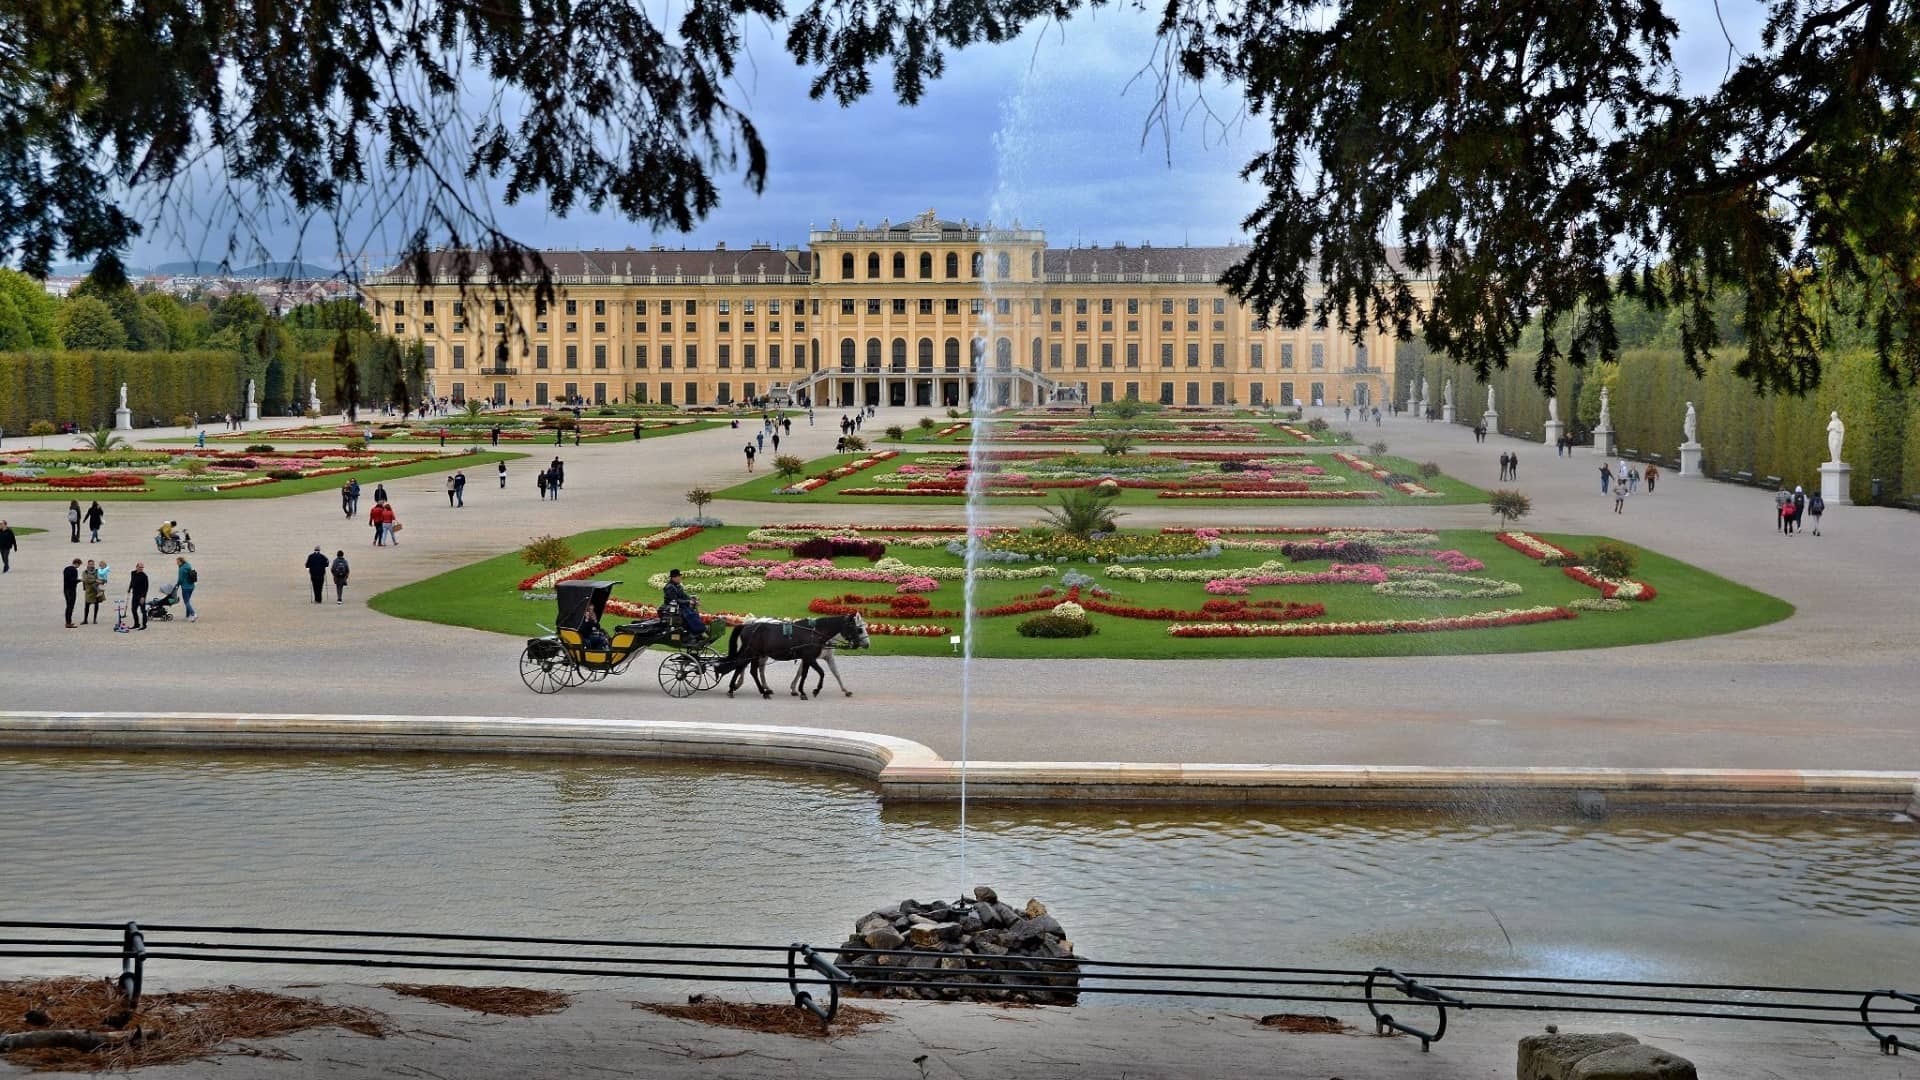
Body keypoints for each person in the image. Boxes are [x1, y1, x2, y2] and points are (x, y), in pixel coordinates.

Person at [662, 568, 706, 641]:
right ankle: (698, 631)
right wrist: (688, 602)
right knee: (689, 614)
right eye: (679, 577)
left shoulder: (677, 586)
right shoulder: (670, 587)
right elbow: (675, 600)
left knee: (693, 612)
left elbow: (684, 595)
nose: (680, 578)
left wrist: (693, 600)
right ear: (674, 577)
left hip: (680, 606)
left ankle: (697, 631)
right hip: (672, 607)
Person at [127, 562, 149, 629]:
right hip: (135, 594)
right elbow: (132, 581)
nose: (141, 569)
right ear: (136, 567)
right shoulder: (133, 573)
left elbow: (146, 587)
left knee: (143, 611)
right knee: (133, 610)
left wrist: (143, 597)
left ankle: (144, 625)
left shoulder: (144, 576)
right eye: (140, 567)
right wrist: (129, 588)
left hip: (141, 595)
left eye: (142, 567)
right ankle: (136, 624)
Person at [81, 559, 103, 624]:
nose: (91, 565)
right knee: (87, 605)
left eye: (92, 564)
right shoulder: (85, 572)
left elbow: (100, 579)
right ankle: (85, 620)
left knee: (96, 605)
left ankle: (95, 619)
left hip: (96, 590)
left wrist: (98, 581)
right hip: (89, 590)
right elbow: (85, 580)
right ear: (88, 564)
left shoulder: (97, 571)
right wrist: (95, 580)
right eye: (90, 564)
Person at [176, 556, 196, 621]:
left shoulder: (181, 569)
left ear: (181, 561)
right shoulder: (188, 565)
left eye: (178, 562)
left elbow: (180, 579)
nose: (177, 563)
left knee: (186, 602)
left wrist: (177, 585)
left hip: (185, 587)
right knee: (188, 601)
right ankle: (187, 615)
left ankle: (193, 614)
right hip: (191, 586)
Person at [63, 559, 81, 627]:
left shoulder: (66, 569)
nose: (78, 566)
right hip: (71, 590)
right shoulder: (74, 570)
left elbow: (67, 579)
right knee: (70, 606)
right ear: (76, 563)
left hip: (65, 589)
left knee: (68, 605)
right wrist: (80, 580)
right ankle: (68, 623)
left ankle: (68, 621)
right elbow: (73, 580)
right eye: (79, 565)